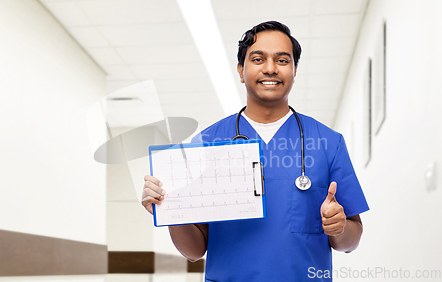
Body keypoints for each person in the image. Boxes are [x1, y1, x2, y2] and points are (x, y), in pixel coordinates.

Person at [141, 21, 369, 281]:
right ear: (241, 70)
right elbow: (194, 251)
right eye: (258, 59)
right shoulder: (206, 142)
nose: (270, 69)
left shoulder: (328, 142)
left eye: (283, 60)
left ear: (295, 70)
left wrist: (338, 228)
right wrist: (170, 210)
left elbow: (350, 241)